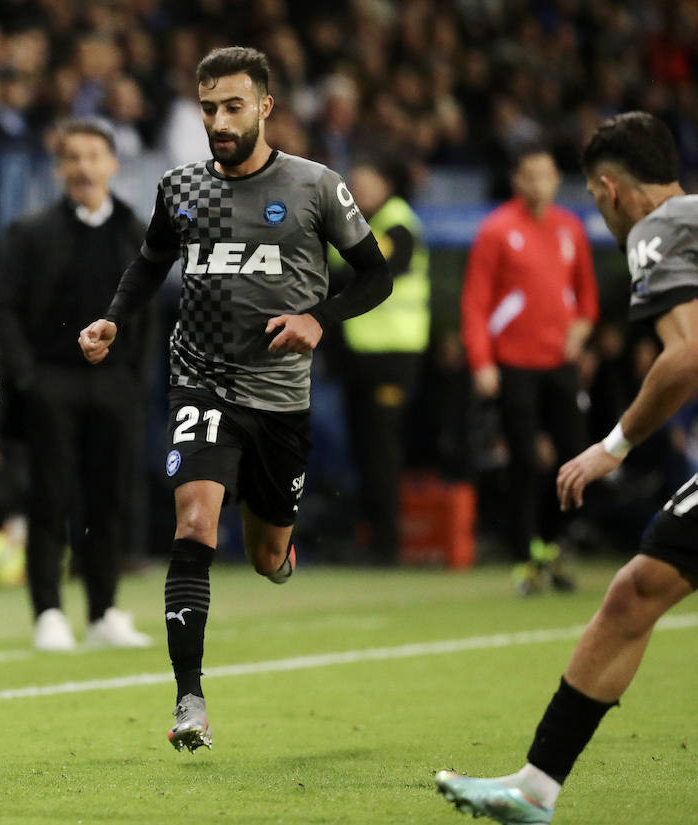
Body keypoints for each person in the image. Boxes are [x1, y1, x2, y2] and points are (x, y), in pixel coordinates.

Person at [78, 47, 391, 752]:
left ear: (265, 107)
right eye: (209, 107)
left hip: (281, 398)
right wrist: (115, 316)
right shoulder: (182, 186)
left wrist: (319, 318)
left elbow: (376, 278)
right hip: (203, 378)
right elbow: (152, 259)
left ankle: (278, 551)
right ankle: (189, 698)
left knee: (264, 554)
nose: (219, 120)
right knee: (193, 524)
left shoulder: (315, 186)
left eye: (233, 106)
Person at [435, 112, 698, 825]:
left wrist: (610, 445)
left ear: (609, 188)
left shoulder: (660, 229)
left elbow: (687, 354)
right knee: (638, 590)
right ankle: (535, 788)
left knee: (634, 591)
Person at [0, 118, 152, 651]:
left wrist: (135, 377)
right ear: (60, 169)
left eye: (93, 156)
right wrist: (28, 378)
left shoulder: (138, 232)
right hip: (51, 383)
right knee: (50, 499)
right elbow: (6, 310)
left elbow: (155, 312)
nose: (83, 167)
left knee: (110, 501)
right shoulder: (29, 233)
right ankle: (49, 613)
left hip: (116, 386)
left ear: (112, 164)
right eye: (72, 157)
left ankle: (104, 611)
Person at [461, 146, 598, 595]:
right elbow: (476, 303)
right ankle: (526, 558)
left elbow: (586, 296)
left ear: (557, 179)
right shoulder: (497, 230)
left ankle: (553, 546)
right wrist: (482, 361)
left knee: (575, 454)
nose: (539, 183)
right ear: (518, 180)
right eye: (530, 175)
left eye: (546, 174)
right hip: (514, 363)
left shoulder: (570, 228)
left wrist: (581, 330)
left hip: (560, 363)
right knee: (523, 462)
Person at [336, 158, 431, 563]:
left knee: (382, 450)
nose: (358, 191)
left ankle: (387, 543)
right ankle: (369, 534)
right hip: (358, 355)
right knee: (361, 448)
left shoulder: (398, 223)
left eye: (365, 181)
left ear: (387, 182)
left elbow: (372, 268)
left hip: (394, 355)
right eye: (353, 183)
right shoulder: (352, 223)